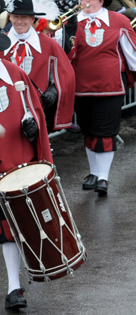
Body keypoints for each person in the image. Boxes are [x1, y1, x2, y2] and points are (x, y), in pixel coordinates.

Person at [68, 0, 136, 197]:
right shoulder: (73, 22)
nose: (87, 2)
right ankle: (93, 173)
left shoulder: (118, 20)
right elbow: (64, 51)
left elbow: (132, 48)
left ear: (101, 1)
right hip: (81, 87)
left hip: (110, 86)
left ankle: (103, 177)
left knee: (105, 132)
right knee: (88, 131)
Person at [0, 32, 54, 310]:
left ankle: (13, 287)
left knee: (8, 227)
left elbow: (32, 110)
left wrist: (31, 126)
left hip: (14, 161)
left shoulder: (14, 73)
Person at [1, 0, 75, 131]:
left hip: (36, 110)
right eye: (15, 16)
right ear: (10, 17)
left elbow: (66, 74)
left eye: (24, 17)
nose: (19, 21)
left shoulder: (47, 43)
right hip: (6, 110)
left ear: (32, 19)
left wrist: (53, 91)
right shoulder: (2, 43)